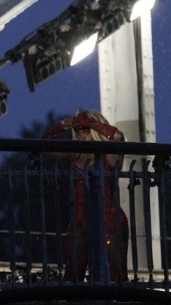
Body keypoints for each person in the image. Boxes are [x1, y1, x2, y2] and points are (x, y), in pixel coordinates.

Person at [43, 109, 129, 283]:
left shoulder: (109, 154)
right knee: (73, 272)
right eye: (79, 131)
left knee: (113, 273)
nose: (83, 136)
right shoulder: (77, 153)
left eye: (86, 131)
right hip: (80, 219)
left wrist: (90, 123)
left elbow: (119, 137)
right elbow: (45, 144)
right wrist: (63, 126)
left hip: (109, 218)